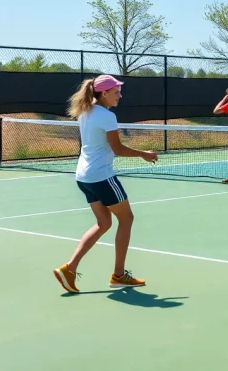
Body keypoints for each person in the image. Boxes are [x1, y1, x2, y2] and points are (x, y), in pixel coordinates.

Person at [53, 74, 158, 294]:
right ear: (104, 93)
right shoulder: (106, 116)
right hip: (101, 176)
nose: (120, 95)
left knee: (103, 223)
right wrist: (143, 154)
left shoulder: (85, 111)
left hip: (83, 176)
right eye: (116, 92)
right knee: (126, 218)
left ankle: (69, 269)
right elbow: (118, 149)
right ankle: (118, 276)